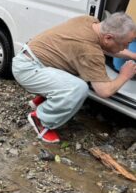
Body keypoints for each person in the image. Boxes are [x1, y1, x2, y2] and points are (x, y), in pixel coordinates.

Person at [12, 12, 136, 143]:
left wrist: (133, 56)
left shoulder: (89, 22)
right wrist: (124, 75)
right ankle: (41, 119)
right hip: (28, 70)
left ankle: (44, 100)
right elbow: (104, 91)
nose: (127, 47)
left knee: (83, 70)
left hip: (32, 59)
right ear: (108, 38)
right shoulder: (90, 51)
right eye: (125, 44)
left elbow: (107, 48)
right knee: (79, 87)